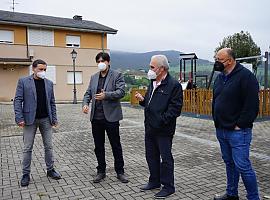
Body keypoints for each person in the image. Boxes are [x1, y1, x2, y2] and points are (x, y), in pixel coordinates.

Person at [212, 48, 260, 200]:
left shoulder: (246, 77)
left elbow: (252, 105)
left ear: (230, 61)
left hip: (239, 132)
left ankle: (253, 197)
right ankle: (232, 194)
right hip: (222, 129)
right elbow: (217, 98)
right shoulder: (220, 77)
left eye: (219, 59)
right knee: (229, 163)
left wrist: (240, 124)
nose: (216, 62)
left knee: (242, 166)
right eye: (216, 58)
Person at [135, 55, 183, 199]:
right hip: (149, 128)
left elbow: (175, 109)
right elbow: (150, 103)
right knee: (151, 156)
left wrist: (161, 121)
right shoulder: (152, 82)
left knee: (166, 159)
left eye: (152, 67)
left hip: (163, 130)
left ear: (161, 69)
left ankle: (168, 186)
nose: (150, 69)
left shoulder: (174, 85)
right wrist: (143, 100)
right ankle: (154, 181)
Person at [14, 59, 61, 187]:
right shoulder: (23, 82)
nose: (43, 72)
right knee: (27, 148)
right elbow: (17, 101)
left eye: (45, 69)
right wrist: (19, 118)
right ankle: (25, 174)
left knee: (49, 146)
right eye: (40, 69)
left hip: (46, 119)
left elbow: (52, 102)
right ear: (34, 69)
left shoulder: (49, 83)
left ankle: (50, 170)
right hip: (30, 120)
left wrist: (54, 118)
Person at [82, 52, 128, 183]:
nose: (100, 63)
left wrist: (106, 95)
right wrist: (85, 104)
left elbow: (121, 92)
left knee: (116, 145)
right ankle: (101, 171)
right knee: (98, 146)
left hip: (111, 117)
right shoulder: (94, 77)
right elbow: (87, 93)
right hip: (96, 118)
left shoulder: (117, 75)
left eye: (102, 61)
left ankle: (120, 171)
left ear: (108, 62)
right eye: (98, 61)